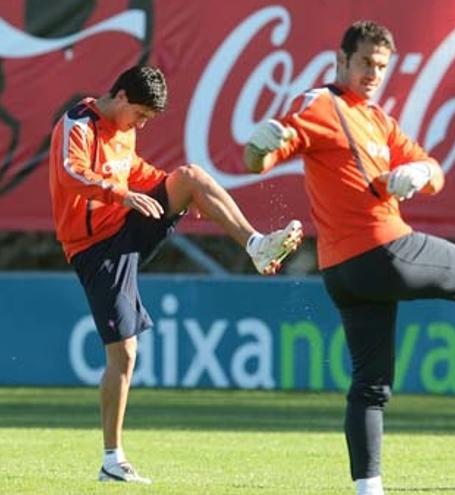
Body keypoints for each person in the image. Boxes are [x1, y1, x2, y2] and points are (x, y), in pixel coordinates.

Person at [244, 20, 455, 495]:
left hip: (344, 271)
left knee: (370, 385)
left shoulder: (378, 118)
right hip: (384, 251)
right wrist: (258, 147)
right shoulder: (321, 104)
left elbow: (434, 171)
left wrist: (419, 172)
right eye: (364, 63)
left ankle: (368, 489)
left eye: (381, 66)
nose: (373, 73)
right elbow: (259, 159)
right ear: (340, 61)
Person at [49, 65, 303, 484]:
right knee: (124, 354)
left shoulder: (124, 130)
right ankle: (112, 460)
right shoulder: (79, 123)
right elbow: (71, 173)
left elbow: (134, 169)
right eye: (142, 116)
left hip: (124, 224)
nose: (142, 125)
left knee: (190, 178)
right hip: (93, 249)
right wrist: (122, 194)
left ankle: (257, 246)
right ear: (124, 98)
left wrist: (178, 195)